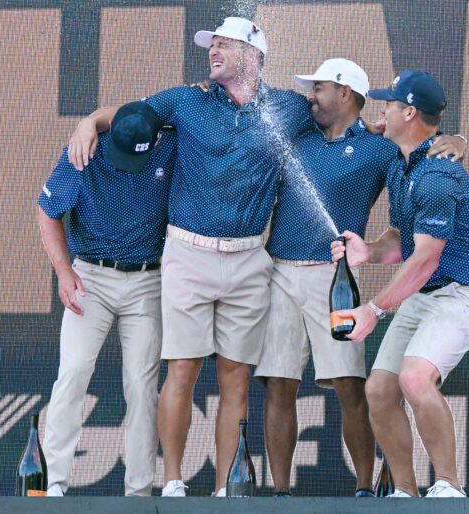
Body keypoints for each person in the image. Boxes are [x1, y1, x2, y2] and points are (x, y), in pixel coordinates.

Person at [68, 17, 315, 497]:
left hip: (249, 259)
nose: (213, 51)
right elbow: (128, 115)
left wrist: (456, 142)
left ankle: (227, 488)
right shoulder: (184, 100)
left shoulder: (288, 107)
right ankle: (174, 482)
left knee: (236, 380)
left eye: (224, 44)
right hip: (187, 253)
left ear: (253, 54)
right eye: (211, 44)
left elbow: (351, 122)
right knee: (181, 369)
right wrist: (89, 121)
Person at [255, 59, 466, 497]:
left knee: (351, 387)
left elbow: (425, 147)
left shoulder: (381, 145)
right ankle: (279, 493)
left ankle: (365, 490)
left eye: (319, 88)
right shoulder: (298, 138)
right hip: (279, 272)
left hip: (334, 279)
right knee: (279, 383)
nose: (310, 96)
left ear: (345, 93)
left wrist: (458, 140)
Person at [331, 70, 469, 498]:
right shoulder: (400, 163)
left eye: (388, 102)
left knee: (415, 378)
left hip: (465, 291)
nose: (380, 107)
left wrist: (373, 309)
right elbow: (402, 240)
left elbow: (425, 258)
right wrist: (367, 252)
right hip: (426, 294)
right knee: (379, 389)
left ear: (409, 112)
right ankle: (406, 494)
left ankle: (449, 487)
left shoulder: (438, 175)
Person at [38, 101, 176, 496]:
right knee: (74, 373)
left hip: (148, 280)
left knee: (141, 385)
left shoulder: (169, 144)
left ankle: (139, 493)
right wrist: (64, 272)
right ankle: (54, 485)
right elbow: (48, 211)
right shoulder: (85, 148)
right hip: (91, 277)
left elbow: (157, 109)